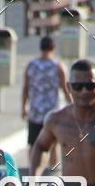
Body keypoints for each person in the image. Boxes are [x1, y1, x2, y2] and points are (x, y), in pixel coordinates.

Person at [21, 36, 71, 167]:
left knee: (33, 143)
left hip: (35, 111)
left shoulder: (31, 65)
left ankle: (32, 171)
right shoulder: (58, 66)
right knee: (53, 145)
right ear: (53, 48)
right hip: (52, 112)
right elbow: (66, 89)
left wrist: (23, 107)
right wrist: (72, 107)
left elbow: (26, 88)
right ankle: (52, 173)